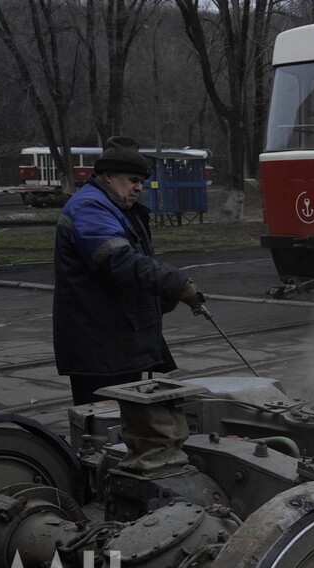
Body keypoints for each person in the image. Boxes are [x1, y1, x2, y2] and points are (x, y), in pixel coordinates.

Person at [53, 136, 205, 405]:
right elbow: (118, 261)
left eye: (142, 181)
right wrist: (175, 283)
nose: (139, 188)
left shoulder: (116, 207)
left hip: (116, 344)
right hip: (101, 347)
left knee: (126, 429)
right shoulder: (90, 207)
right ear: (108, 176)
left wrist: (160, 300)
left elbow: (129, 274)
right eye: (133, 180)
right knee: (106, 429)